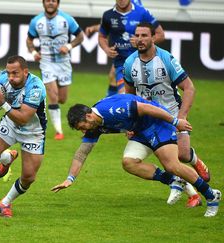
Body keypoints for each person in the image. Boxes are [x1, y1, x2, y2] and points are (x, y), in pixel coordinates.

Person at [51, 94, 221, 217]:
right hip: (140, 131)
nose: (83, 130)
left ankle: (211, 196)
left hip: (157, 123)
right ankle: (174, 181)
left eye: (83, 126)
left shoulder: (111, 110)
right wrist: (70, 179)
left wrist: (175, 122)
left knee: (172, 165)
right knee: (129, 162)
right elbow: (82, 152)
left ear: (89, 115)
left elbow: (146, 107)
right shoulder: (94, 125)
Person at [124, 22, 211, 203]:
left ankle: (194, 160)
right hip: (147, 119)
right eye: (137, 36)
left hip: (171, 115)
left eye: (144, 36)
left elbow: (189, 88)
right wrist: (130, 123)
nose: (140, 40)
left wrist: (181, 116)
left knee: (182, 155)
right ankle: (194, 195)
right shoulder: (129, 62)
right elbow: (129, 96)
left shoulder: (166, 59)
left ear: (154, 37)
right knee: (168, 161)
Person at [0, 56, 47, 218]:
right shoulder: (5, 77)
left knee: (29, 177)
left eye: (15, 73)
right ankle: (7, 157)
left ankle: (5, 202)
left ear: (25, 72)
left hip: (33, 132)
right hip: (10, 124)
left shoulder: (36, 87)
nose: (11, 77)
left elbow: (24, 118)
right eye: (9, 73)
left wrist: (3, 103)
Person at [26, 0, 84, 140]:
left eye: (53, 1)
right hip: (46, 62)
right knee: (53, 96)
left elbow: (80, 37)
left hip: (63, 63)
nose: (50, 3)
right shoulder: (36, 21)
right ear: (43, 3)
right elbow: (29, 40)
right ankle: (59, 131)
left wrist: (69, 47)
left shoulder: (67, 19)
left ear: (57, 3)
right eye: (47, 1)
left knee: (62, 99)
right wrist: (34, 53)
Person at [99, 0, 165, 95]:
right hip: (122, 65)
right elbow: (102, 36)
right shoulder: (108, 15)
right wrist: (106, 49)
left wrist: (141, 43)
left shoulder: (142, 13)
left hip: (143, 63)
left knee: (145, 98)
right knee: (125, 95)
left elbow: (160, 35)